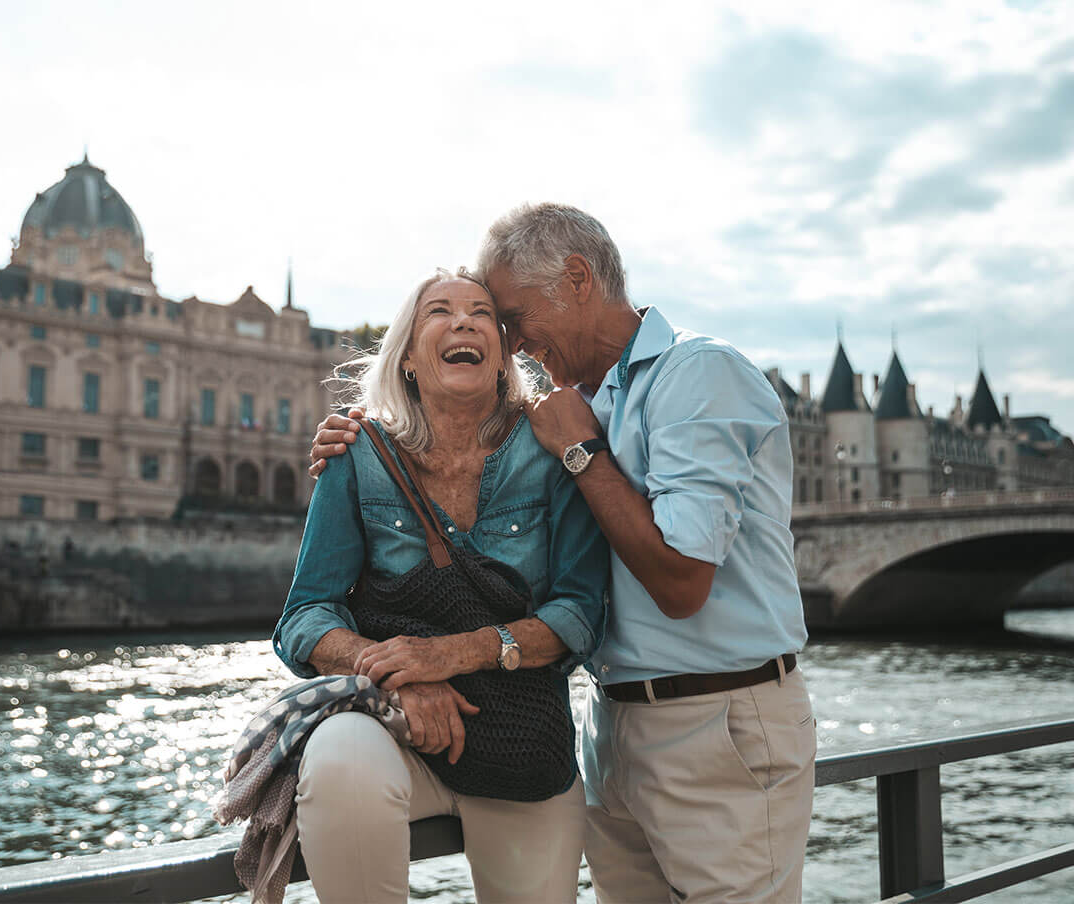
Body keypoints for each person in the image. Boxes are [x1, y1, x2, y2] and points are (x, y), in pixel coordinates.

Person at [312, 205, 816, 903]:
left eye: (512, 317)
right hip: (611, 726)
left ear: (577, 279)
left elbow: (681, 583)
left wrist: (582, 452)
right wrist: (357, 440)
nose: (512, 342)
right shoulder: (577, 401)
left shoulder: (698, 374)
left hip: (718, 721)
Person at [274, 268, 609, 903]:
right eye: (439, 312)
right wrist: (405, 675)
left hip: (524, 744)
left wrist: (452, 654)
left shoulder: (552, 450)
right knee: (339, 752)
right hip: (400, 731)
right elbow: (303, 617)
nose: (462, 322)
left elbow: (582, 614)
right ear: (405, 357)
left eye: (481, 312)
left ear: (504, 352)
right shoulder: (358, 451)